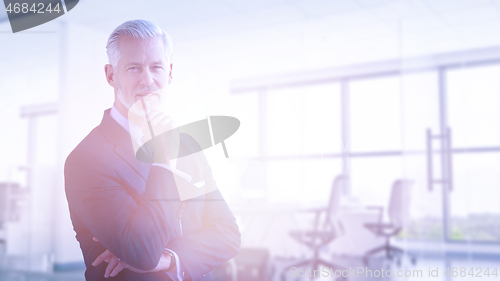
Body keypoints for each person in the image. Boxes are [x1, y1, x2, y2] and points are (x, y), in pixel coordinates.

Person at [64, 20, 241, 281]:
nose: (148, 80)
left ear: (169, 72)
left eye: (156, 67)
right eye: (134, 68)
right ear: (111, 75)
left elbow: (228, 234)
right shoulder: (87, 160)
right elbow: (144, 251)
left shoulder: (188, 146)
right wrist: (162, 158)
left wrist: (169, 258)